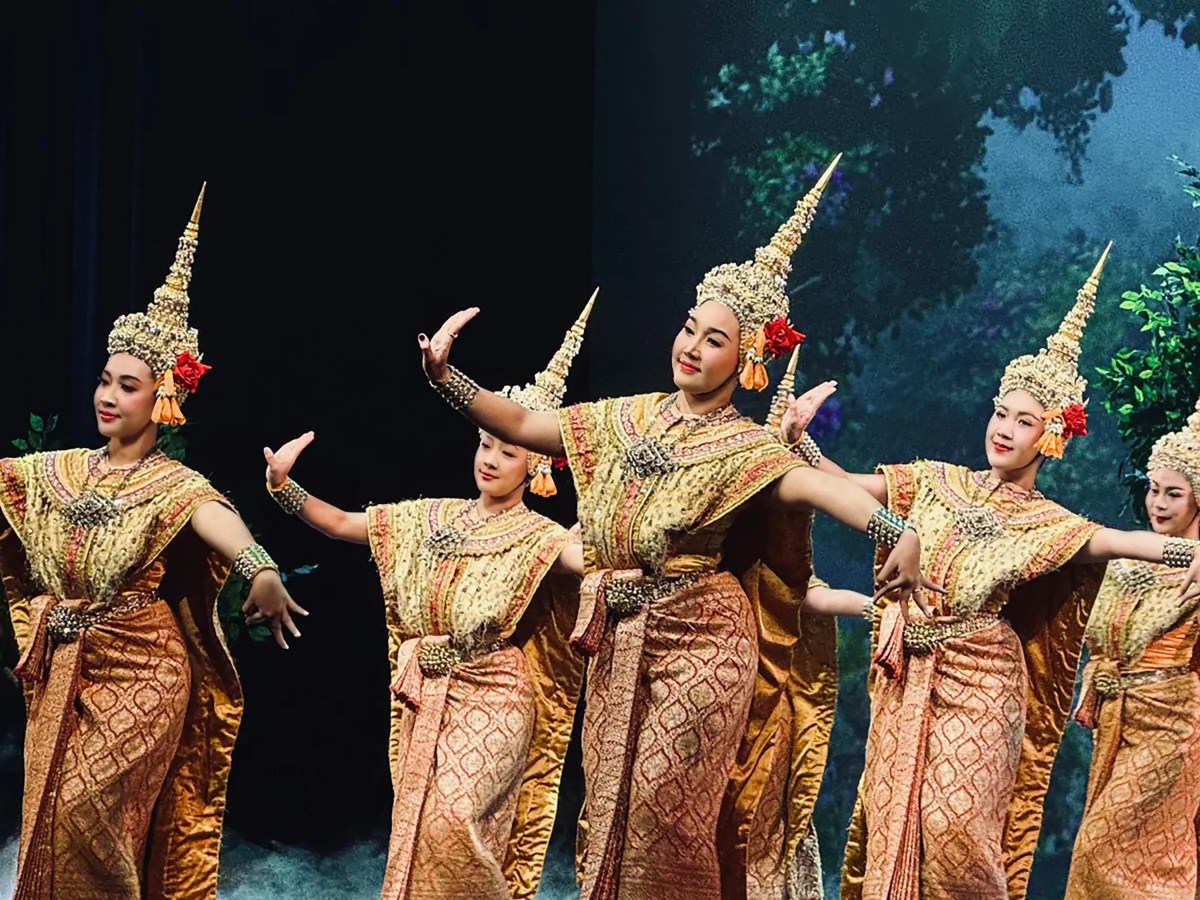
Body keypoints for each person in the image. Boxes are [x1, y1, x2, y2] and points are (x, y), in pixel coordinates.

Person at [419, 156, 937, 899]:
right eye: (689, 328)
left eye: (714, 340)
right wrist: (447, 379)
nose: (691, 346)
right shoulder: (624, 418)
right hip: (619, 639)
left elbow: (822, 490)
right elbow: (528, 425)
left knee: (664, 820)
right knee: (612, 814)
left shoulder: (746, 448)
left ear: (747, 356)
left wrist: (897, 529)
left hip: (704, 644)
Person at [779, 244, 1200, 899]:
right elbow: (845, 487)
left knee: (955, 834)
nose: (1003, 429)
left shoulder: (1051, 524)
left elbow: (1121, 542)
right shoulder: (936, 481)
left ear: (1052, 435)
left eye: (1024, 421)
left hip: (984, 680)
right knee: (894, 822)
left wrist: (1187, 553)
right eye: (1001, 412)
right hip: (910, 673)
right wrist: (799, 440)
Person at [0, 185, 307, 899]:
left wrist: (261, 570)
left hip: (143, 671)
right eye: (105, 380)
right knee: (52, 818)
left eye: (129, 386)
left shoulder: (174, 484)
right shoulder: (57, 471)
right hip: (66, 668)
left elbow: (218, 519)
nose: (109, 396)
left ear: (164, 397)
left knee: (89, 819)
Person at [263, 295, 596, 899]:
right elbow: (340, 524)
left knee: (451, 822)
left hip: (496, 693)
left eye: (509, 450)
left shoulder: (542, 537)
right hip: (425, 695)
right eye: (486, 444)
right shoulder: (429, 517)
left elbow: (592, 563)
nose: (491, 459)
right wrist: (284, 487)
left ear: (537, 467)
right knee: (420, 829)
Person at [1065, 388, 1200, 899]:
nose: (1158, 504)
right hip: (1119, 720)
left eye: (1174, 494)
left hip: (1173, 724)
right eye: (1154, 489)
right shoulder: (1128, 558)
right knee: (1111, 854)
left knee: (1106, 852)